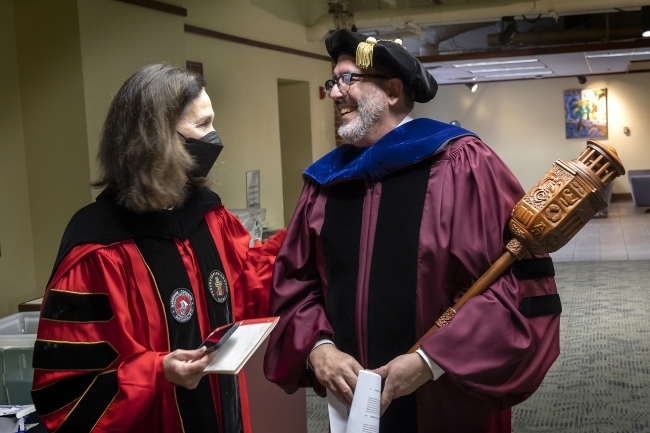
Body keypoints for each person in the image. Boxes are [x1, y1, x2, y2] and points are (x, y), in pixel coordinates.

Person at [264, 29, 561, 433]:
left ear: (392, 90)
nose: (335, 93)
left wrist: (430, 360)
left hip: (448, 398)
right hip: (352, 407)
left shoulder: (463, 165)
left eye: (349, 79)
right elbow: (296, 285)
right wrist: (319, 348)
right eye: (334, 81)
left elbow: (514, 286)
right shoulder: (324, 183)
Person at [31, 64, 283, 433]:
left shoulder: (207, 215)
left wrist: (311, 233)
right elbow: (66, 391)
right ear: (158, 138)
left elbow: (247, 283)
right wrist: (158, 371)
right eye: (202, 125)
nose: (214, 136)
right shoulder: (98, 249)